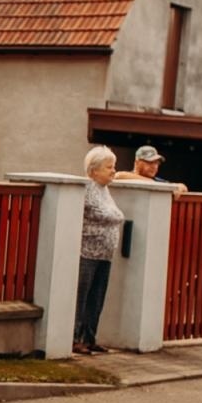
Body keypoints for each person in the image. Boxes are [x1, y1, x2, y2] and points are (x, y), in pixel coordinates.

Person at [75, 146, 125, 355]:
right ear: (94, 170)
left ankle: (90, 337)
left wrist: (117, 214)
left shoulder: (105, 190)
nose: (113, 171)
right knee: (82, 296)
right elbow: (108, 214)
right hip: (88, 253)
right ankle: (75, 338)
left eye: (114, 167)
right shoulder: (89, 188)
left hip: (105, 255)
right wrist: (117, 215)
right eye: (109, 167)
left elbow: (116, 212)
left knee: (97, 297)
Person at [115, 144, 188, 196]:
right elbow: (118, 175)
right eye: (150, 162)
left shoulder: (158, 181)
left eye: (157, 163)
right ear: (137, 163)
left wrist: (179, 187)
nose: (155, 167)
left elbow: (182, 187)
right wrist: (152, 182)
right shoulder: (125, 177)